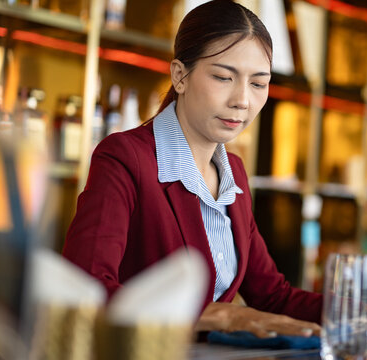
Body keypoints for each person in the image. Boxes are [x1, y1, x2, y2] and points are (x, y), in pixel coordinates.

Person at [62, 0, 322, 338]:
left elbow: (273, 296)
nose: (242, 99)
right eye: (223, 77)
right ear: (180, 76)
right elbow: (85, 289)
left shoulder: (234, 174)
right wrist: (224, 317)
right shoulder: (126, 158)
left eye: (258, 84)